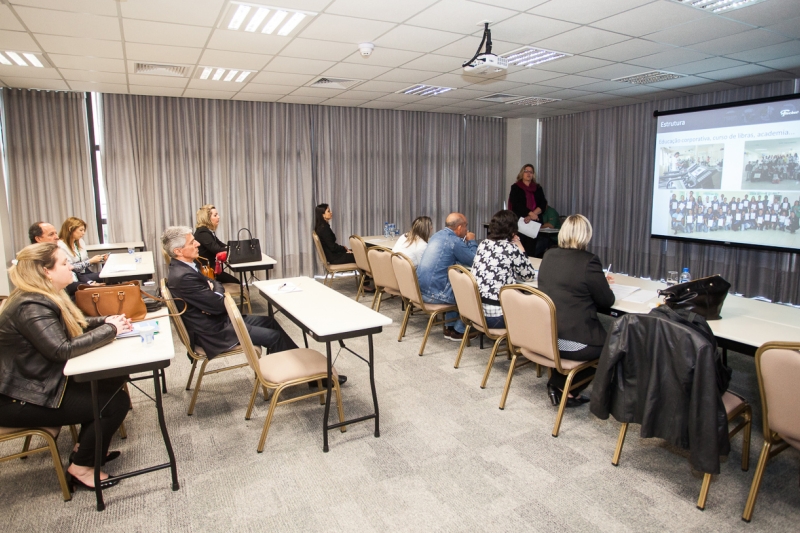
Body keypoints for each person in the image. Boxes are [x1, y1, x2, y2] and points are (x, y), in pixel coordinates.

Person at [0, 243, 132, 490]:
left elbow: (75, 324)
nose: (71, 266)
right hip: (19, 399)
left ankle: (87, 449)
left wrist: (106, 321)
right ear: (45, 271)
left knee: (114, 380)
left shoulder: (40, 296)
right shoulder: (31, 305)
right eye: (63, 263)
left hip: (38, 383)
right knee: (114, 403)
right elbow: (61, 349)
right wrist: (110, 330)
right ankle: (80, 467)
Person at [537, 215, 615, 408]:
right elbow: (606, 301)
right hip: (575, 342)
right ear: (586, 235)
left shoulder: (549, 255)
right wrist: (601, 283)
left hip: (547, 337)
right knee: (616, 345)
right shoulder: (589, 261)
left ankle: (559, 383)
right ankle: (566, 388)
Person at [417, 212, 478, 341]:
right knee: (470, 290)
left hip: (420, 291)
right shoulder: (454, 241)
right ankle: (459, 330)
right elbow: (474, 261)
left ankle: (449, 326)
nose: (467, 229)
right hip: (435, 295)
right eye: (466, 226)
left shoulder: (436, 236)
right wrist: (472, 241)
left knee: (453, 282)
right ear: (460, 227)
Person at [471, 210, 535, 329]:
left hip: (476, 313)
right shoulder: (511, 248)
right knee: (535, 311)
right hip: (498, 316)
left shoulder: (483, 244)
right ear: (513, 229)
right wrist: (519, 246)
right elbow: (529, 275)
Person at [508, 164, 549, 258]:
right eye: (526, 171)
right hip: (520, 222)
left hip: (534, 223)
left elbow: (543, 204)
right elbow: (517, 204)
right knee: (520, 249)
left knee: (532, 250)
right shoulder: (516, 187)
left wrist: (532, 216)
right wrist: (530, 214)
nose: (528, 173)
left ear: (533, 174)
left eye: (531, 172)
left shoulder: (538, 188)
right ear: (522, 173)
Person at [193, 204, 238, 284]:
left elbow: (220, 244)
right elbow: (216, 249)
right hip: (208, 270)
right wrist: (234, 249)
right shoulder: (202, 232)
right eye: (215, 215)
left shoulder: (207, 231)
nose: (218, 217)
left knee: (236, 281)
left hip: (212, 267)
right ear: (207, 219)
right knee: (237, 282)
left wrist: (233, 247)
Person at [57, 217, 106, 284]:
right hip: (76, 276)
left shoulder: (80, 241)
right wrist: (90, 261)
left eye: (84, 230)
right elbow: (70, 267)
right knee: (106, 277)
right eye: (81, 230)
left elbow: (85, 261)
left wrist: (100, 259)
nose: (83, 233)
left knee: (108, 276)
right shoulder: (60, 245)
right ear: (70, 229)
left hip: (85, 272)